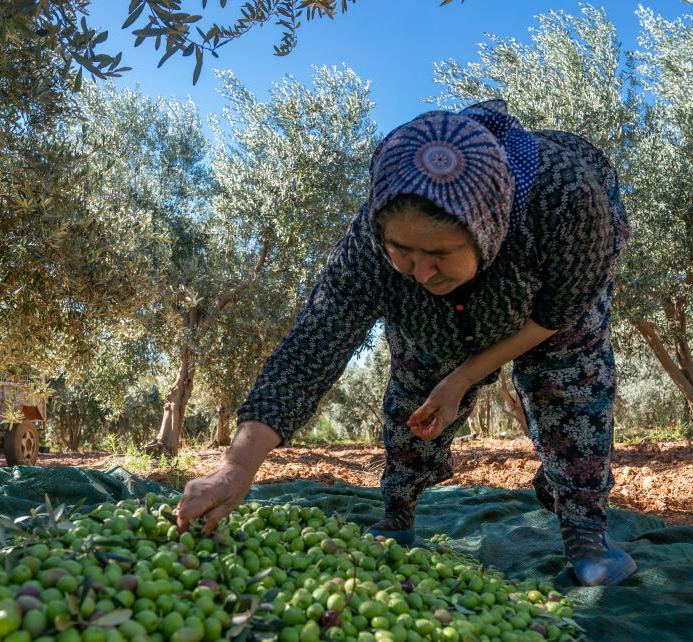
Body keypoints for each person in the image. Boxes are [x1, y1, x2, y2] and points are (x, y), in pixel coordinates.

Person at [176, 101, 636, 587]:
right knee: (416, 394)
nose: (421, 272)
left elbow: (558, 315)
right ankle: (398, 510)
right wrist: (235, 468)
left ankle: (585, 526)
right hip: (439, 319)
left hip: (546, 299)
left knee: (569, 382)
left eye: (439, 253)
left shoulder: (567, 198)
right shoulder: (370, 248)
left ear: (486, 229)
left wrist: (464, 378)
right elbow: (310, 347)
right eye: (402, 251)